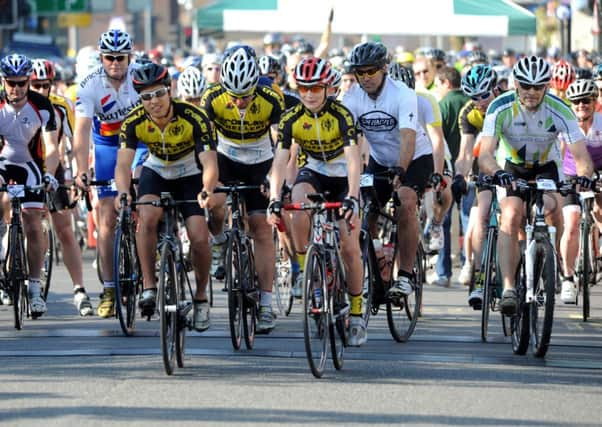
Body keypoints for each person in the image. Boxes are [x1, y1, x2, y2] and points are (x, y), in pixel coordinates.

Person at [478, 55, 594, 315]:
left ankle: (548, 264)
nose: (531, 92)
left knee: (553, 210)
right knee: (510, 216)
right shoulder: (500, 106)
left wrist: (585, 175)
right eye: (525, 86)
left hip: (546, 167)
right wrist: (497, 172)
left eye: (538, 86)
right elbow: (485, 153)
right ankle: (509, 288)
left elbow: (581, 156)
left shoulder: (560, 109)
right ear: (516, 84)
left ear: (547, 87)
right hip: (511, 167)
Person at [268, 57, 365, 345]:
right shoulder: (291, 118)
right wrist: (274, 198)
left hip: (344, 174)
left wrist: (352, 196)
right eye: (303, 88)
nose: (309, 94)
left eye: (316, 88)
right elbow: (280, 160)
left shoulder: (342, 115)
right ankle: (305, 268)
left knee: (349, 246)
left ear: (327, 88)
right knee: (297, 206)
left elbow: (352, 160)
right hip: (316, 171)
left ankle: (357, 315)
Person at [115, 62, 218, 328]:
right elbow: (124, 164)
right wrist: (124, 192)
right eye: (146, 97)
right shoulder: (133, 121)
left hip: (188, 171)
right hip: (157, 168)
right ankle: (149, 286)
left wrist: (206, 190)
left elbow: (209, 163)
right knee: (146, 216)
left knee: (198, 235)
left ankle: (201, 297)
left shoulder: (194, 116)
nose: (154, 101)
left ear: (170, 91)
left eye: (159, 93)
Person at [200, 46, 284, 333]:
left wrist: (273, 179)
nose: (240, 102)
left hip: (261, 160)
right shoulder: (211, 98)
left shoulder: (272, 98)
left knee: (261, 227)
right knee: (213, 201)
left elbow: (281, 147)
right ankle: (221, 238)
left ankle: (265, 304)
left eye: (246, 95)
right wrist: (210, 183)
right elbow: (205, 146)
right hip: (225, 158)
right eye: (233, 97)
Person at [72, 29, 144, 318]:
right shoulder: (89, 84)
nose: (115, 63)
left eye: (121, 57)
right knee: (105, 219)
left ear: (130, 57)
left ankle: (150, 256)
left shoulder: (141, 77)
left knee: (143, 193)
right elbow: (81, 132)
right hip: (106, 146)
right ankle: (110, 289)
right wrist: (80, 170)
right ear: (101, 58)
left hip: (138, 143)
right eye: (109, 57)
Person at [343, 42, 423, 299]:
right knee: (366, 211)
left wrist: (401, 169)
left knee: (405, 203)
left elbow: (408, 137)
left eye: (370, 71)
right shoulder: (352, 97)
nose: (365, 77)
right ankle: (378, 261)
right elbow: (347, 140)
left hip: (415, 156)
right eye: (360, 72)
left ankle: (406, 276)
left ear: (384, 69)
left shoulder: (402, 94)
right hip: (379, 159)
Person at [30, 58, 93, 316]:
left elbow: (75, 141)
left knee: (65, 228)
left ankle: (80, 289)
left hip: (51, 166)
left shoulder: (59, 106)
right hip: (21, 167)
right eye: (35, 85)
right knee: (17, 220)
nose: (40, 90)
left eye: (45, 85)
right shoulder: (13, 104)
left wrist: (78, 173)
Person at [0, 54, 60, 317]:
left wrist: (50, 173)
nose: (16, 89)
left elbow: (53, 148)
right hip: (2, 162)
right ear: (3, 82)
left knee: (33, 223)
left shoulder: (42, 105)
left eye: (22, 83)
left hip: (30, 166)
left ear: (29, 82)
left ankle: (34, 289)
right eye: (11, 83)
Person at [454, 64, 504, 307]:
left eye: (484, 95)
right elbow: (465, 152)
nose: (479, 101)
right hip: (485, 169)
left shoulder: (508, 103)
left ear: (495, 88)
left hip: (510, 164)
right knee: (482, 217)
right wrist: (459, 176)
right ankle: (480, 275)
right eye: (474, 97)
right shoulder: (469, 113)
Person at [559, 79, 602, 303]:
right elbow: (557, 153)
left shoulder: (601, 124)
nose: (581, 105)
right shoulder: (566, 125)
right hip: (571, 174)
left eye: (586, 100)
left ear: (595, 102)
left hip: (598, 172)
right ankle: (567, 278)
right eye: (576, 102)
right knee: (572, 223)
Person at [433, 66, 469, 287]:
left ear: (446, 82)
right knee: (468, 221)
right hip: (468, 170)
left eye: (438, 84)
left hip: (448, 170)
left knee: (443, 221)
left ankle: (443, 273)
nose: (437, 89)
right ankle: (468, 266)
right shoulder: (468, 101)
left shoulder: (443, 105)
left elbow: (438, 139)